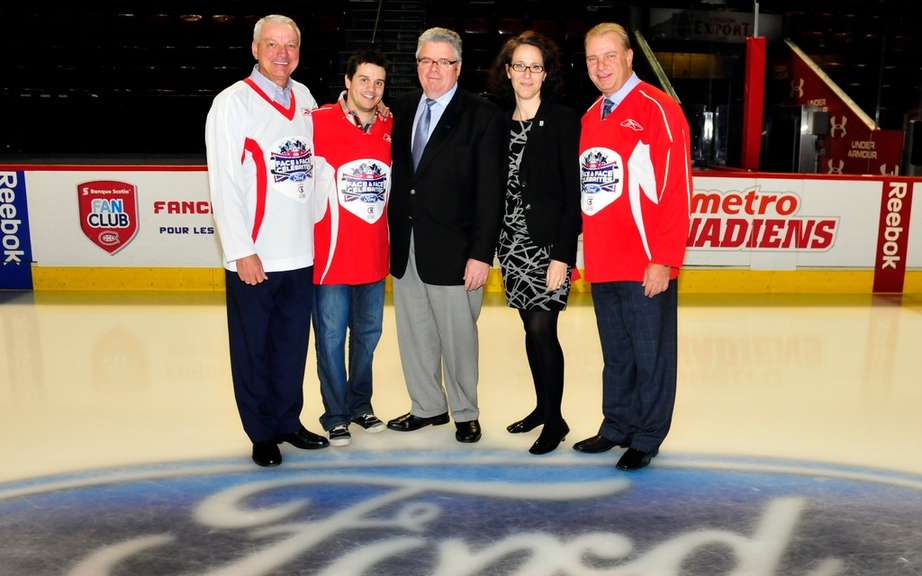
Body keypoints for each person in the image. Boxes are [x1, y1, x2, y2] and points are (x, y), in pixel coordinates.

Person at [205, 14, 329, 467]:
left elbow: (319, 162)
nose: (282, 54)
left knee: (292, 345)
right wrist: (240, 250)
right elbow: (224, 184)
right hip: (256, 256)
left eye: (291, 45)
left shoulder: (303, 98)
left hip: (300, 252)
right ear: (255, 48)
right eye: (273, 45)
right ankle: (261, 432)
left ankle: (287, 420)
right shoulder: (231, 104)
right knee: (253, 347)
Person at [574, 23, 692, 471]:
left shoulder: (658, 109)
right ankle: (617, 425)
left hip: (645, 262)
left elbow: (676, 190)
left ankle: (647, 435)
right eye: (592, 58)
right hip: (604, 263)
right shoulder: (590, 116)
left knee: (651, 353)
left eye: (609, 56)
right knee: (617, 353)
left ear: (628, 58)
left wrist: (664, 259)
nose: (601, 66)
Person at [386, 27, 504, 443]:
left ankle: (465, 412)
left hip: (457, 252)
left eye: (443, 62)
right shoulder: (399, 109)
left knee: (458, 339)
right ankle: (427, 407)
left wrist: (481, 254)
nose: (433, 70)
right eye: (425, 61)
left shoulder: (482, 115)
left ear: (458, 67)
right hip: (408, 245)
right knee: (414, 332)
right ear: (416, 64)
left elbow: (492, 193)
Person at [487, 32, 581, 455]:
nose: (526, 74)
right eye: (519, 66)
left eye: (535, 66)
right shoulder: (497, 120)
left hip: (546, 247)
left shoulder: (562, 119)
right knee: (529, 328)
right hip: (512, 246)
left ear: (546, 73)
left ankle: (556, 419)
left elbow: (572, 194)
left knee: (544, 328)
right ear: (508, 72)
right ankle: (542, 408)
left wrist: (563, 255)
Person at [310, 49, 393, 447]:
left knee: (367, 336)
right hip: (330, 261)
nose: (371, 89)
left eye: (379, 82)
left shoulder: (389, 123)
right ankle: (335, 414)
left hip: (374, 259)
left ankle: (361, 405)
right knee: (329, 337)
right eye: (364, 80)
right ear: (348, 81)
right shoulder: (317, 122)